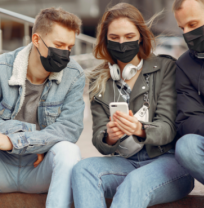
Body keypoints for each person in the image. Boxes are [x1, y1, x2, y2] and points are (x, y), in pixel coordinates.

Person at [71, 3, 194, 208]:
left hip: (168, 162)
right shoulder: (98, 79)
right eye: (115, 38)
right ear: (105, 40)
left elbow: (168, 128)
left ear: (140, 37)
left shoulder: (165, 68)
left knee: (135, 182)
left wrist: (139, 129)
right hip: (126, 162)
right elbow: (98, 140)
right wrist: (110, 136)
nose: (122, 43)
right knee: (82, 169)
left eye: (129, 37)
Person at [0, 7, 85, 208]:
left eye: (69, 47)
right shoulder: (2, 68)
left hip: (39, 169)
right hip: (3, 165)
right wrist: (43, 138)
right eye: (58, 45)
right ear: (36, 40)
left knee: (68, 150)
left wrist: (17, 141)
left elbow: (69, 129)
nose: (65, 53)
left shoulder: (74, 75)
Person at [173, 0, 204, 188]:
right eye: (182, 27)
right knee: (187, 147)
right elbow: (189, 119)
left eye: (193, 25)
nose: (187, 33)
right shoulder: (185, 65)